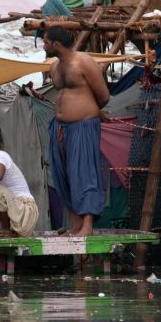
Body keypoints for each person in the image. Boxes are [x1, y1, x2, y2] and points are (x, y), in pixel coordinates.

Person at [43, 26, 110, 237]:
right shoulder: (54, 67)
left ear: (56, 44)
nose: (43, 45)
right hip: (59, 127)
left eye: (45, 42)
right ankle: (75, 224)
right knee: (62, 174)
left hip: (83, 125)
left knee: (84, 173)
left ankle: (87, 226)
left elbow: (103, 96)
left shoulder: (84, 61)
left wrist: (88, 111)